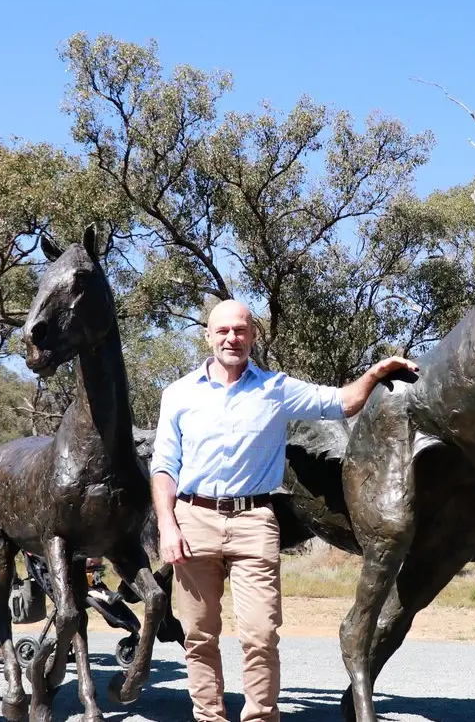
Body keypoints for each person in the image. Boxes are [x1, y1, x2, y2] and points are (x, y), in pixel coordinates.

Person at [150, 299, 418, 722]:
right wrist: (167, 525)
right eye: (223, 330)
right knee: (199, 636)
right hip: (194, 519)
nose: (232, 338)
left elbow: (342, 403)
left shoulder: (275, 388)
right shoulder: (178, 394)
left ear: (253, 336)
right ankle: (209, 716)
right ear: (208, 336)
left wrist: (375, 373)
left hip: (254, 521)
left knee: (260, 634)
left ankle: (260, 717)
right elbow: (164, 466)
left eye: (241, 330)